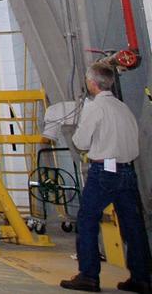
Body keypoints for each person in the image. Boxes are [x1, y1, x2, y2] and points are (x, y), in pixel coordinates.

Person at [60, 62, 151, 293]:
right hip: (127, 170)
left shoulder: (95, 108)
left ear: (92, 83)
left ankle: (89, 275)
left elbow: (80, 142)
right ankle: (142, 277)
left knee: (87, 220)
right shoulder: (123, 108)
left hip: (104, 171)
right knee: (133, 225)